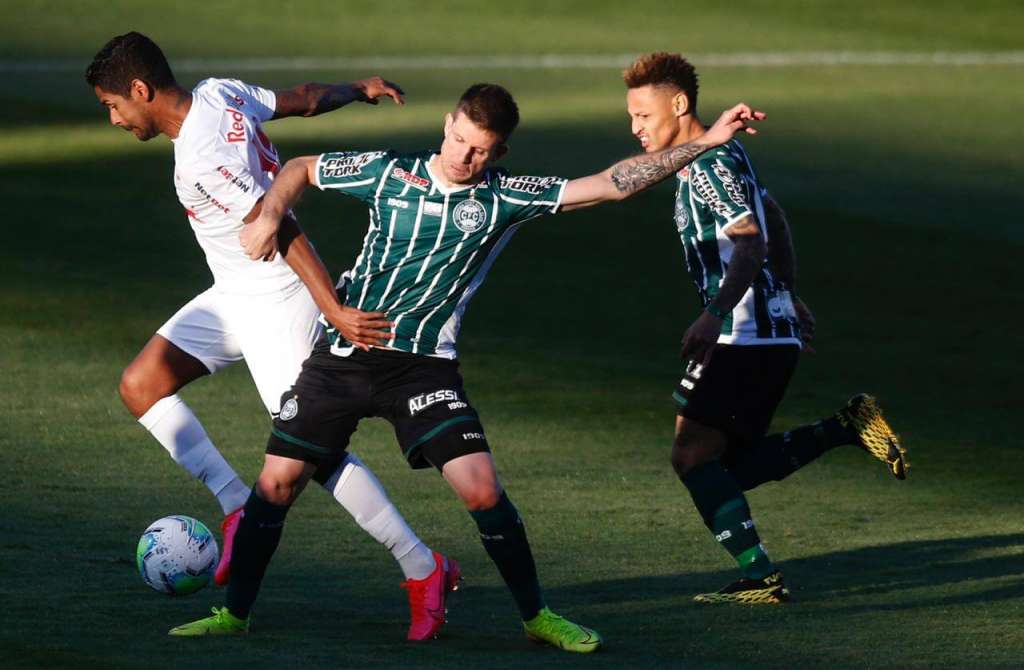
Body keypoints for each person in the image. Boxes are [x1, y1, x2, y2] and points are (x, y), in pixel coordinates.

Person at [169, 82, 764, 651]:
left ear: (498, 153)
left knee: (482, 491)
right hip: (343, 355)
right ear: (447, 124)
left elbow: (611, 184)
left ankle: (537, 617)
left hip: (422, 369)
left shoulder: (505, 195)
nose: (463, 157)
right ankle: (234, 615)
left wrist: (708, 140)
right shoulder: (388, 172)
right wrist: (270, 215)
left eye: (480, 150)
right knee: (276, 484)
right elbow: (300, 168)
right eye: (459, 140)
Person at [86, 32, 459, 640]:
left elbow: (278, 225)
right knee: (141, 384)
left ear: (139, 90)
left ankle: (423, 566)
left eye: (112, 105)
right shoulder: (218, 94)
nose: (114, 119)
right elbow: (302, 99)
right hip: (231, 293)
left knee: (312, 449)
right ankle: (237, 505)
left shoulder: (202, 155)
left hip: (279, 299)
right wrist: (356, 89)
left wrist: (332, 308)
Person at [621, 52, 909, 604]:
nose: (635, 127)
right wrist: (787, 293)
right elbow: (772, 214)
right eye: (631, 116)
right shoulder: (721, 155)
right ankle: (847, 426)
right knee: (720, 464)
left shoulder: (709, 166)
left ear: (678, 105)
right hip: (763, 330)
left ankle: (761, 577)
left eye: (643, 115)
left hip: (741, 334)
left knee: (692, 457)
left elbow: (751, 241)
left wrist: (715, 312)